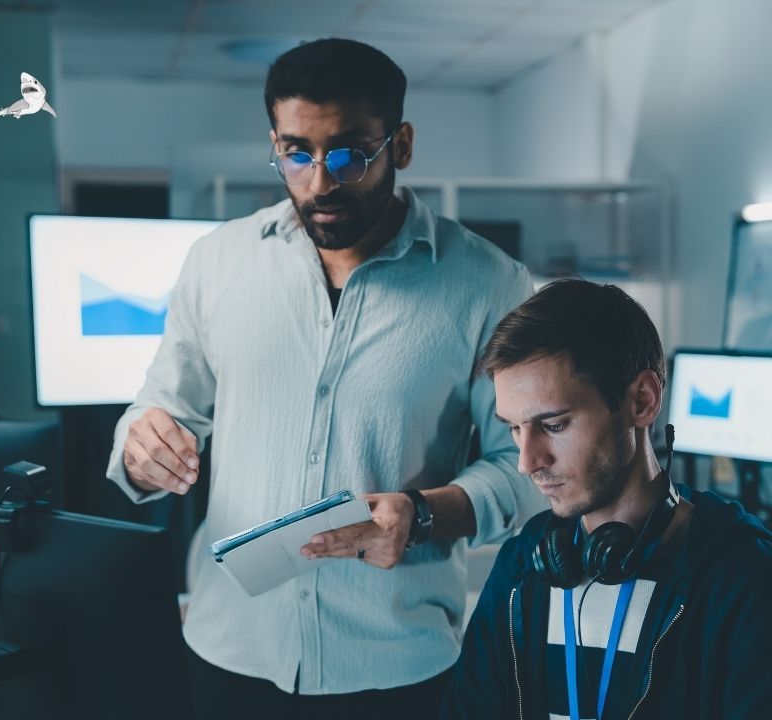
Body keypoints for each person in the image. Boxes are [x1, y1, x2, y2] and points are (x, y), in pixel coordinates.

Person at [105, 38, 545, 719]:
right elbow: (162, 408)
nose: (319, 182)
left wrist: (422, 515)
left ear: (399, 145)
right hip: (230, 652)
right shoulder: (216, 262)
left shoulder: (492, 284)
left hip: (397, 670)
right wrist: (141, 447)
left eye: (348, 154)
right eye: (295, 153)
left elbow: (524, 468)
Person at [440, 279, 772, 719]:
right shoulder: (522, 571)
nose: (528, 461)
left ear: (642, 401)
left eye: (552, 425)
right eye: (514, 428)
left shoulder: (742, 582)